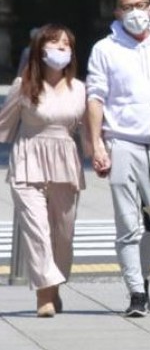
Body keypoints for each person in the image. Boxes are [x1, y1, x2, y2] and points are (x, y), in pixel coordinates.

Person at [86, 0, 150, 317]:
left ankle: (140, 275)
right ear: (117, 12)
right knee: (127, 223)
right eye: (127, 7)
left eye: (140, 5)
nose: (135, 12)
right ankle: (136, 292)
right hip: (122, 142)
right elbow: (95, 97)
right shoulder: (105, 48)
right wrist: (96, 143)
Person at [0, 24, 86, 317]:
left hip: (66, 164)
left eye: (65, 45)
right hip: (28, 163)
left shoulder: (80, 89)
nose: (60, 50)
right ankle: (43, 297)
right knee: (37, 232)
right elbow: (4, 127)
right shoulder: (22, 86)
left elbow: (89, 131)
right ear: (40, 49)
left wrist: (99, 153)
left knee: (63, 235)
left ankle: (54, 288)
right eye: (53, 44)